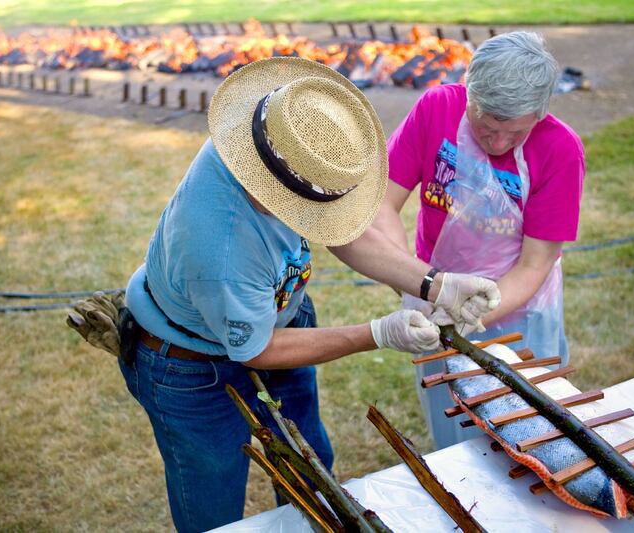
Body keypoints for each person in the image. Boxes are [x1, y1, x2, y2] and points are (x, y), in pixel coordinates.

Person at [107, 57, 501, 532]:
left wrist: (435, 284)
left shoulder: (278, 140)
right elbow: (257, 349)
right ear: (276, 194)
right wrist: (378, 333)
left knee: (309, 465)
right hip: (189, 364)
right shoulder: (221, 246)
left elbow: (340, 229)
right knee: (213, 502)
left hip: (278, 317)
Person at [343, 31, 586, 449]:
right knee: (456, 437)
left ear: (539, 115)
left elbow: (534, 266)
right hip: (431, 287)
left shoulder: (560, 149)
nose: (498, 143)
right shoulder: (437, 108)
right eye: (487, 128)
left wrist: (468, 314)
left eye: (516, 134)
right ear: (468, 93)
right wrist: (411, 279)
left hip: (517, 313)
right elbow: (380, 203)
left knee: (529, 439)